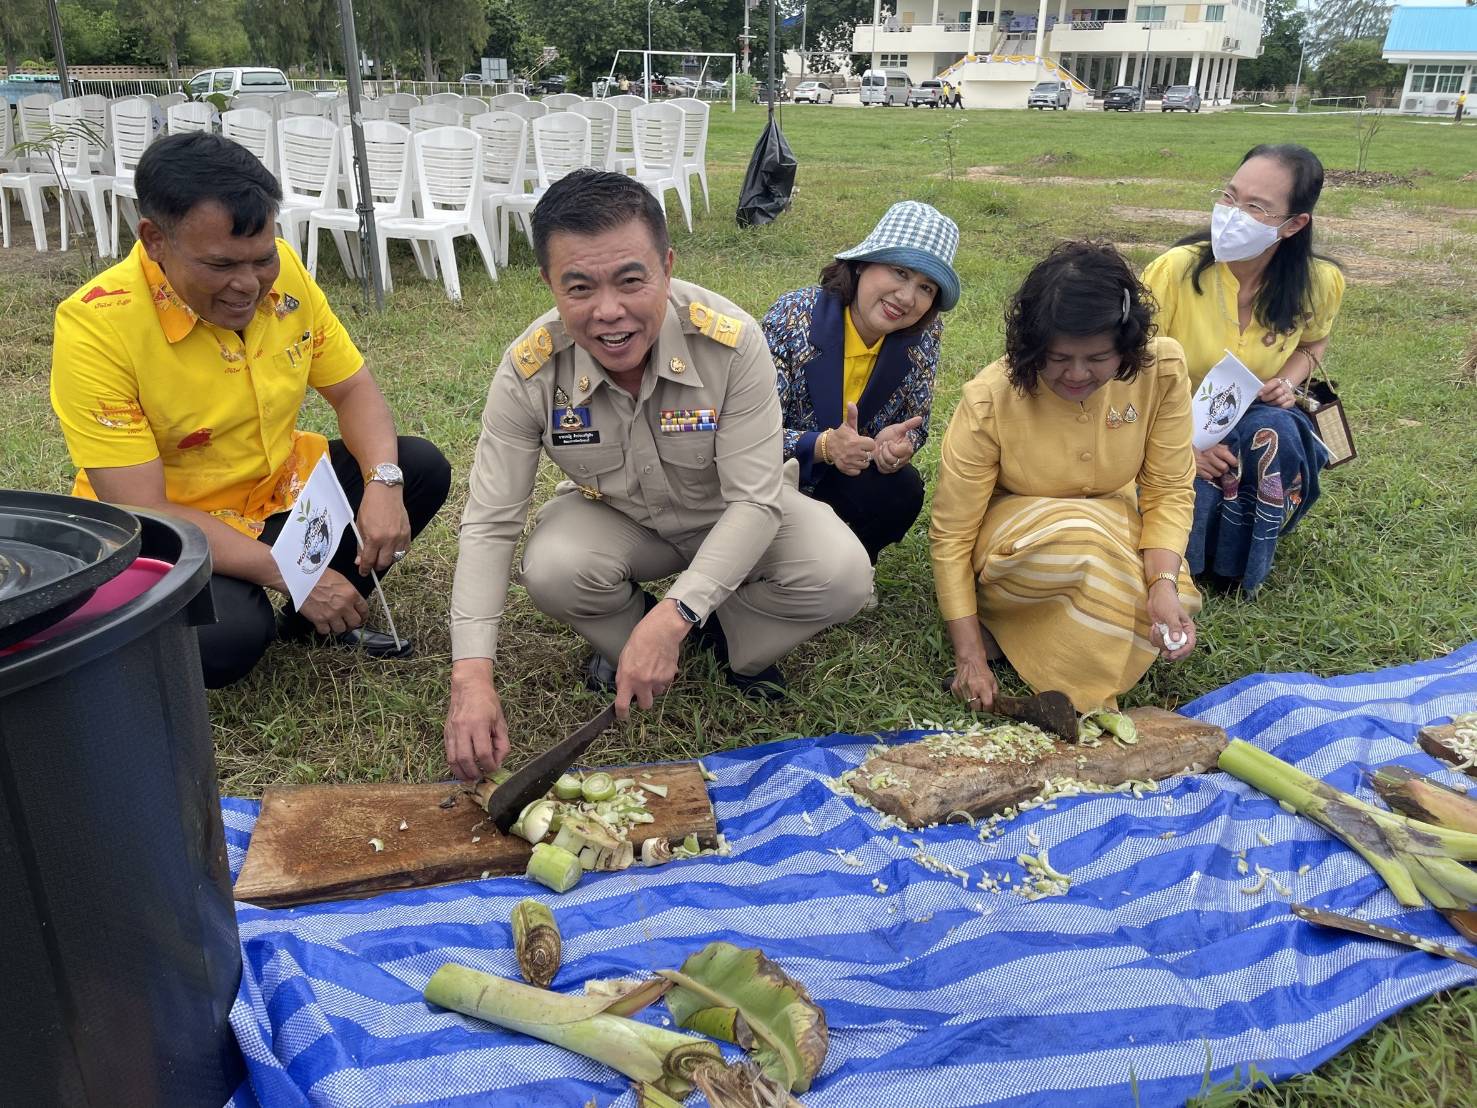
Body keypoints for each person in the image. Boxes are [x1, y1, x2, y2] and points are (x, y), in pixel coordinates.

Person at [443, 170, 872, 780]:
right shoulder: (530, 369)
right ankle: (633, 635)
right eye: (579, 287)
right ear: (548, 284)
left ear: (667, 267)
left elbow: (754, 503)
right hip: (623, 519)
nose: (608, 312)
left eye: (631, 279)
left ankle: (723, 644)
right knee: (555, 566)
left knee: (842, 572)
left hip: (732, 516)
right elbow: (489, 524)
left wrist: (675, 616)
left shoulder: (730, 342)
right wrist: (471, 677)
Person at [49, 132, 451, 688]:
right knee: (229, 636)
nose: (249, 285)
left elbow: (353, 390)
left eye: (261, 258)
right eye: (219, 265)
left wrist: (383, 480)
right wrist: (293, 572)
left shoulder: (282, 272)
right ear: (154, 240)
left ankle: (319, 618)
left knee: (418, 467)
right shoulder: (98, 324)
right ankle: (293, 594)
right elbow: (144, 506)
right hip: (178, 527)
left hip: (277, 491)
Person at [930, 241, 1200, 714]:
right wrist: (969, 655)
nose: (1077, 374)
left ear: (1127, 345)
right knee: (1082, 547)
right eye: (1058, 358)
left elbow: (1167, 490)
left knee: (1171, 596)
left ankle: (1045, 638)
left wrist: (1162, 582)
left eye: (1097, 358)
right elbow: (951, 536)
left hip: (1115, 521)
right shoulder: (989, 399)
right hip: (1018, 543)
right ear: (1032, 347)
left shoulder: (1164, 370)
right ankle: (1011, 625)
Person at [1142, 143, 1344, 594]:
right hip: (1162, 420)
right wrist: (1178, 449)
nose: (1234, 214)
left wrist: (1286, 382)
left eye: (1256, 207)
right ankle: (1186, 560)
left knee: (1277, 430)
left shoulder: (1318, 283)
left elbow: (1314, 340)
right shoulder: (1175, 273)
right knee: (1182, 482)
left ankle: (1238, 563)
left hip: (1245, 414)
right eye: (1230, 196)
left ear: (1295, 224)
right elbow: (1126, 370)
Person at [761, 200, 958, 564]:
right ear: (863, 264)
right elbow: (748, 432)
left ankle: (855, 563)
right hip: (775, 480)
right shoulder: (793, 318)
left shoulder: (923, 339)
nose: (907, 298)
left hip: (843, 479)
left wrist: (899, 446)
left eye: (927, 288)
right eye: (900, 272)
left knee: (904, 489)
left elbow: (919, 421)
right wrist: (824, 446)